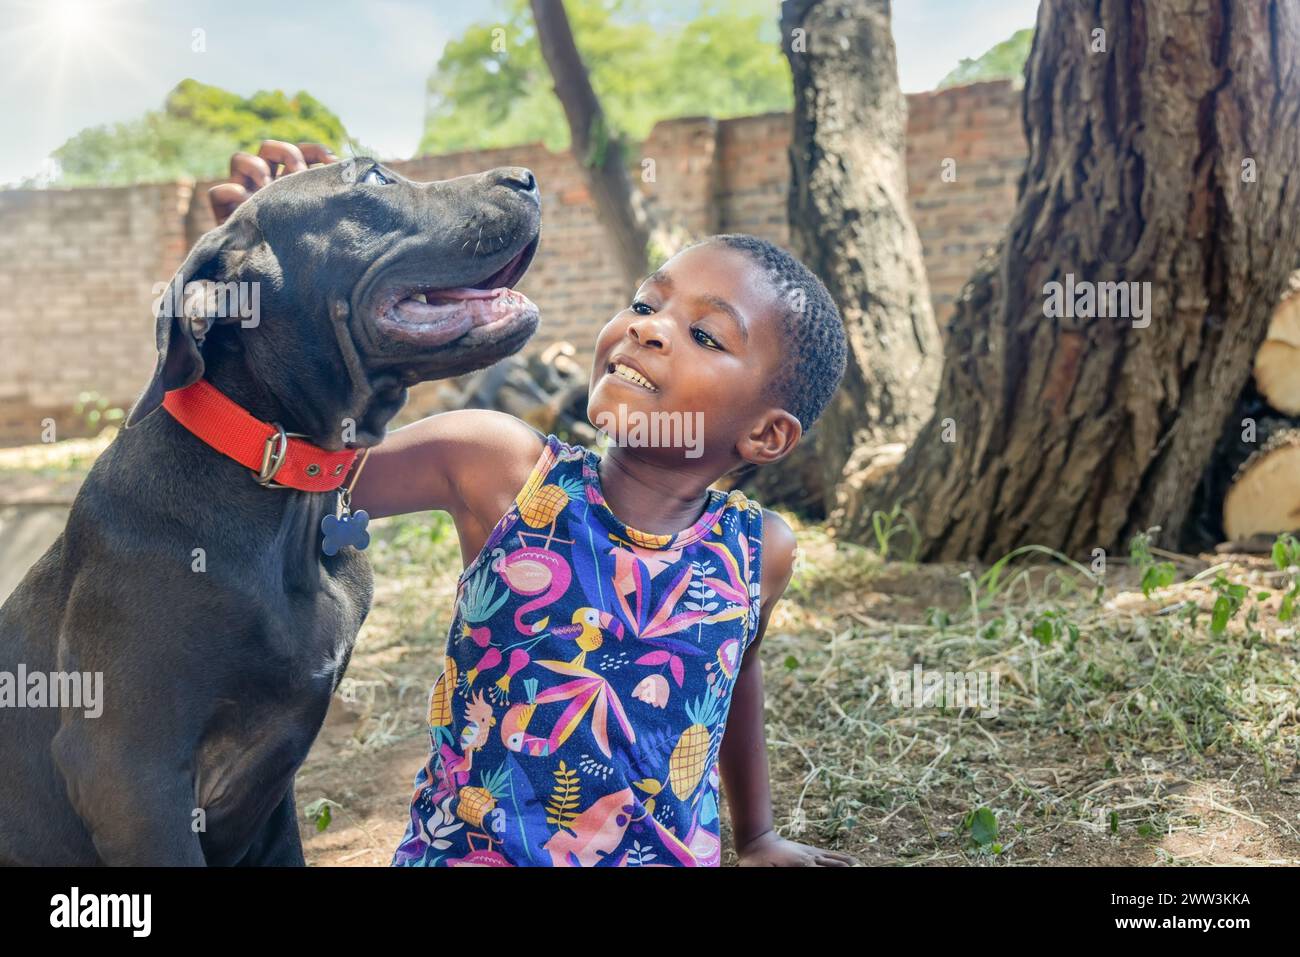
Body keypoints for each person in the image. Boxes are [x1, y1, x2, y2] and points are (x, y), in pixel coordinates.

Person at [212, 142, 858, 867]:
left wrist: (759, 833)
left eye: (705, 334)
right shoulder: (500, 467)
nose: (647, 326)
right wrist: (268, 282)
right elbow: (288, 467)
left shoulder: (756, 550)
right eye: (646, 303)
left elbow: (736, 671)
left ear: (767, 433)